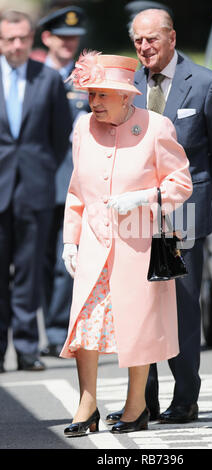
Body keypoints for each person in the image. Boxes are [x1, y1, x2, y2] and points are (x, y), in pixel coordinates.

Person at [106, 8, 212, 425]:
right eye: (138, 41)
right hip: (136, 217)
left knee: (180, 308)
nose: (144, 47)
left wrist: (197, 195)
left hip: (183, 215)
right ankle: (143, 401)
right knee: (139, 307)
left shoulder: (207, 84)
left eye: (152, 40)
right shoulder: (128, 87)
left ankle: (185, 398)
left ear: (172, 38)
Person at [59, 51, 193, 436]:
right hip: (95, 243)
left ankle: (137, 406)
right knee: (85, 326)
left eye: (103, 95)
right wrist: (70, 241)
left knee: (136, 327)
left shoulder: (156, 127)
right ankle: (87, 406)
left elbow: (180, 183)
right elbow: (75, 191)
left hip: (138, 243)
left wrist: (145, 197)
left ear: (125, 96)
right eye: (91, 94)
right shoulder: (83, 128)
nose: (94, 102)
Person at [0, 10, 72, 373]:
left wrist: (41, 170)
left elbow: (60, 138)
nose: (16, 45)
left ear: (32, 39)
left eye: (22, 39)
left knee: (29, 272)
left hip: (35, 188)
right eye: (9, 39)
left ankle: (27, 348)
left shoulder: (48, 79)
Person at [38, 5, 90, 358]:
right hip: (33, 183)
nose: (69, 43)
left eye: (74, 38)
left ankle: (58, 329)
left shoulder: (85, 78)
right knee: (34, 262)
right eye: (62, 37)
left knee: (63, 262)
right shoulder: (33, 76)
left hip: (73, 181)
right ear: (47, 39)